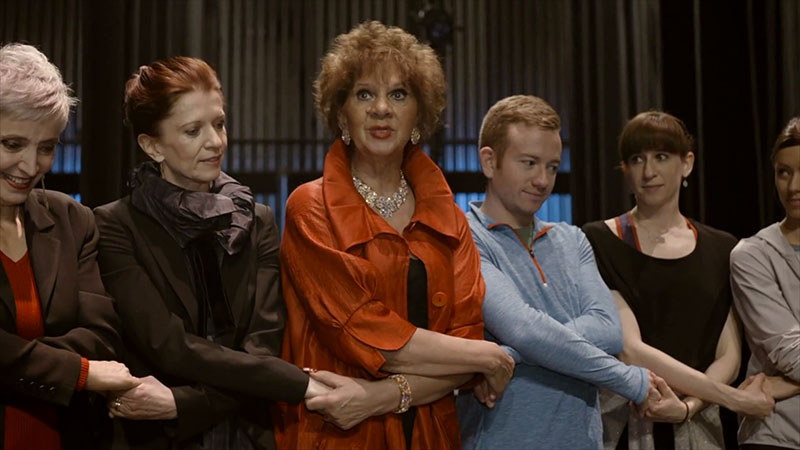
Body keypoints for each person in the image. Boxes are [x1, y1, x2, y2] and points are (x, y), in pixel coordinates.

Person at [276, 21, 514, 450]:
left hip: (432, 433)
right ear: (341, 112)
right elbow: (364, 335)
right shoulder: (309, 208)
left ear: (418, 116)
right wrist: (489, 357)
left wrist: (380, 397)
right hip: (337, 434)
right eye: (364, 94)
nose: (381, 109)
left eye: (398, 94)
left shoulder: (450, 217)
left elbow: (463, 342)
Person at [93, 56, 332, 450]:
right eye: (193, 131)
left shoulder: (257, 219)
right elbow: (169, 346)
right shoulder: (115, 226)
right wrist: (297, 385)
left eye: (219, 123)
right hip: (159, 439)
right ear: (152, 146)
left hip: (249, 436)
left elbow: (264, 342)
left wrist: (182, 403)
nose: (216, 141)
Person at [454, 94, 668, 450]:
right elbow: (522, 327)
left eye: (552, 167)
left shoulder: (573, 239)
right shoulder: (462, 238)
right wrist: (632, 381)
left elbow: (608, 330)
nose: (542, 180)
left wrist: (504, 355)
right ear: (489, 162)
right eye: (529, 163)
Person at [582, 111, 774, 449]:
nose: (649, 171)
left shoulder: (722, 247)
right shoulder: (599, 239)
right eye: (637, 159)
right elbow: (631, 350)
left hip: (700, 426)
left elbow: (728, 353)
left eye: (661, 157)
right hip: (627, 421)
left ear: (687, 163)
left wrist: (688, 407)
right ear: (625, 170)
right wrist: (735, 400)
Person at [0, 43, 140, 450]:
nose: (30, 166)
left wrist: (15, 362)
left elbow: (102, 333)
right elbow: (91, 360)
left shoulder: (72, 218)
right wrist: (80, 373)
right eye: (11, 144)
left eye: (46, 147)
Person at [731, 117, 800, 450]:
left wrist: (788, 384)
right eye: (783, 172)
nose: (793, 186)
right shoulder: (752, 255)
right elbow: (791, 353)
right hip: (778, 435)